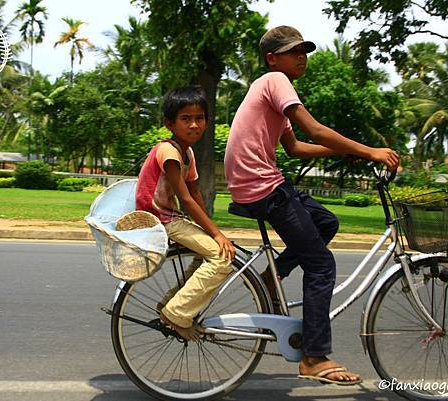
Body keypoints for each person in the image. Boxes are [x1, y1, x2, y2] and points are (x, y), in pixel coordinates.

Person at [224, 26, 399, 385]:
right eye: (293, 51)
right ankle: (314, 357)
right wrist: (369, 151)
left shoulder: (273, 89)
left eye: (303, 51)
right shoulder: (275, 80)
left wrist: (342, 152)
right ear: (272, 59)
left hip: (261, 183)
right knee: (321, 266)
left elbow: (295, 148)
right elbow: (315, 131)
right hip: (262, 186)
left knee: (326, 223)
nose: (301, 57)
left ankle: (273, 275)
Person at [136, 85, 235, 342]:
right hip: (159, 219)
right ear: (170, 123)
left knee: (210, 251)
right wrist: (217, 234)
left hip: (170, 217)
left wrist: (211, 230)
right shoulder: (169, 152)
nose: (194, 125)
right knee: (221, 258)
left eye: (199, 118)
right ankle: (177, 313)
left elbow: (195, 193)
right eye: (186, 118)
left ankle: (171, 303)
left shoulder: (187, 152)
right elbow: (187, 200)